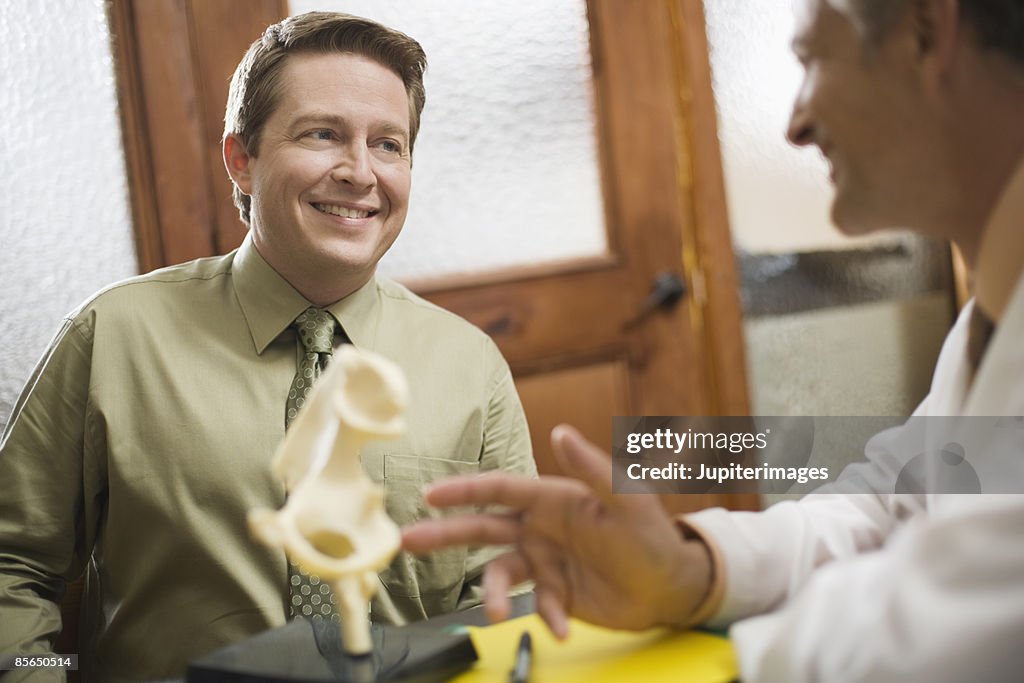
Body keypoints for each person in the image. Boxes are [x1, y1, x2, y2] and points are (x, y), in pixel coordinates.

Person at [402, 0, 1024, 680]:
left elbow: (962, 626)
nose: (795, 125)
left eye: (813, 60)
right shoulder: (991, 317)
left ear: (927, 34)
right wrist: (690, 569)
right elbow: (891, 503)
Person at [0, 11, 535, 681]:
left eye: (388, 144)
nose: (359, 172)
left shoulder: (471, 366)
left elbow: (508, 600)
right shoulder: (114, 336)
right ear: (242, 159)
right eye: (323, 134)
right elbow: (9, 566)